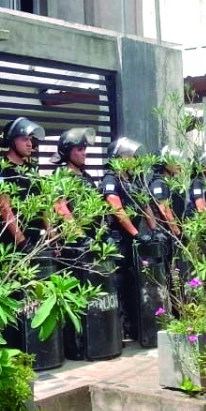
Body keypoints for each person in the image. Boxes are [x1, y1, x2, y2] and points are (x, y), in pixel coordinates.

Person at [100, 137, 155, 340]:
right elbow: (116, 209)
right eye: (129, 156)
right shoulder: (110, 179)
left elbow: (145, 205)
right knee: (119, 283)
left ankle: (135, 325)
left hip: (135, 240)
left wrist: (153, 230)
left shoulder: (133, 179)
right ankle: (120, 328)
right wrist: (136, 233)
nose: (133, 159)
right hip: (119, 239)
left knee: (136, 281)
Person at [0, 117, 47, 248]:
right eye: (24, 139)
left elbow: (43, 203)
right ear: (11, 142)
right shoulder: (1, 168)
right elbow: (4, 208)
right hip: (13, 242)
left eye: (30, 139)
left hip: (36, 237)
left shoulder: (32, 169)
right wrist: (22, 241)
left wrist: (51, 232)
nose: (30, 144)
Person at [51, 127, 100, 222]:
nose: (84, 153)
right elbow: (60, 207)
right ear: (67, 151)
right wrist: (79, 234)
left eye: (84, 149)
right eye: (79, 149)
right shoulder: (61, 175)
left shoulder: (86, 176)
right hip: (76, 233)